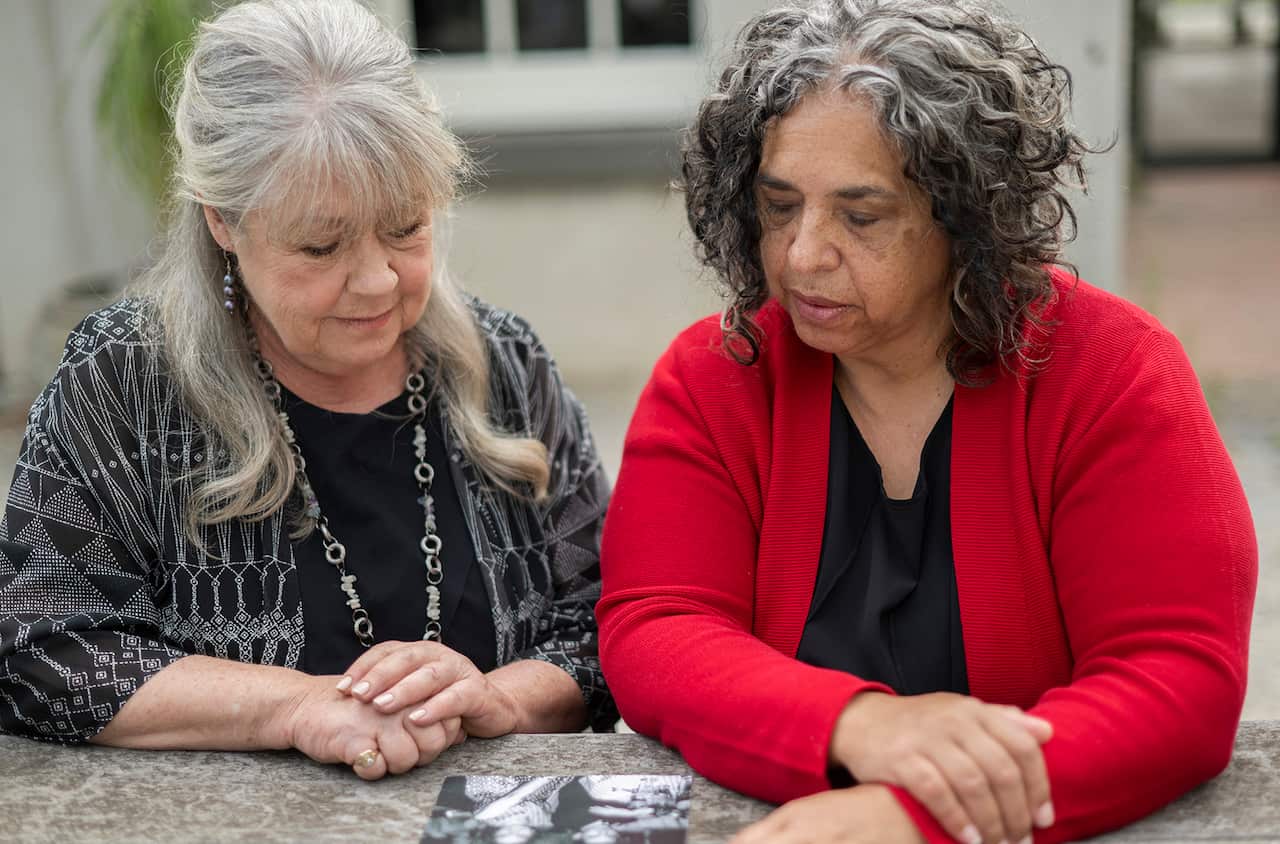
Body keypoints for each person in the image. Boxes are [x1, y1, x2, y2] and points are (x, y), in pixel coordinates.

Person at [597, 1, 1258, 842]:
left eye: (860, 216)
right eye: (779, 207)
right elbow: (656, 628)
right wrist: (862, 727)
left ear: (966, 216)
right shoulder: (718, 375)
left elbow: (1176, 683)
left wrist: (914, 817)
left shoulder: (1112, 371)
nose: (802, 255)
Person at [0, 0, 614, 779]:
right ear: (224, 221)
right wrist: (293, 705)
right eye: (321, 245)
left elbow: (605, 628)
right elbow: (42, 648)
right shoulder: (123, 379)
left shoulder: (504, 366)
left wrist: (496, 700)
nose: (377, 280)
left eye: (406, 227)